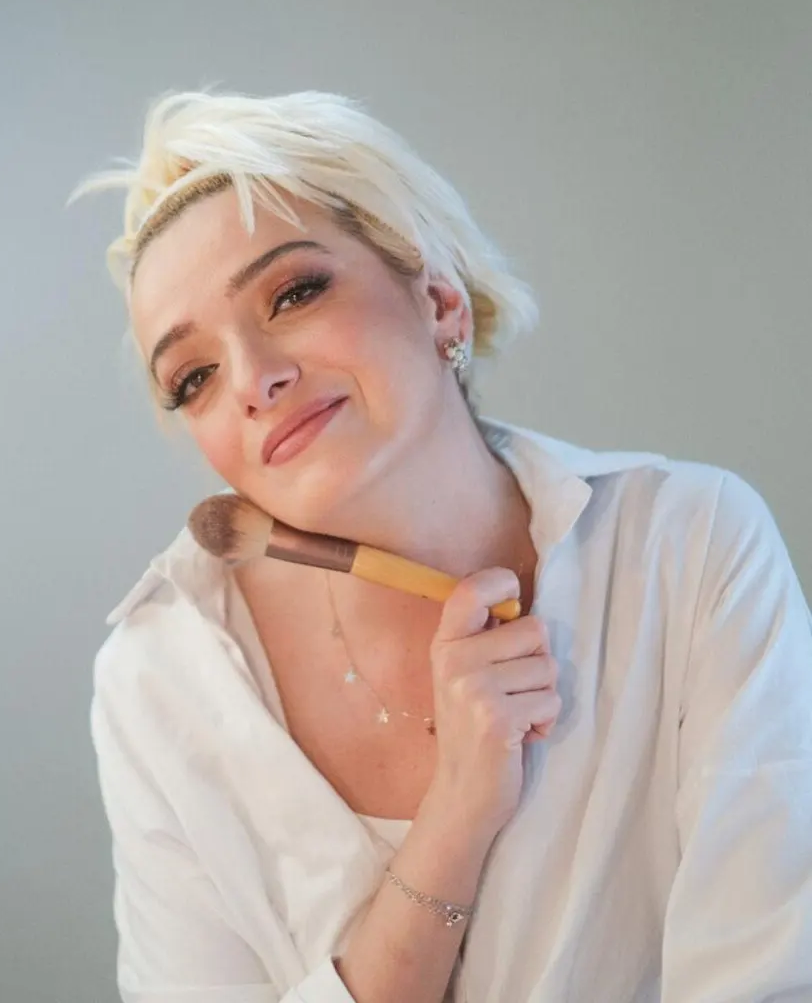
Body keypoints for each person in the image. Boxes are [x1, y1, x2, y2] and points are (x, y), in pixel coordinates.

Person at [77, 89, 812, 1003]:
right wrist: (456, 818)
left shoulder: (689, 547)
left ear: (439, 303)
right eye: (194, 376)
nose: (255, 380)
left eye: (294, 293)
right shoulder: (160, 678)